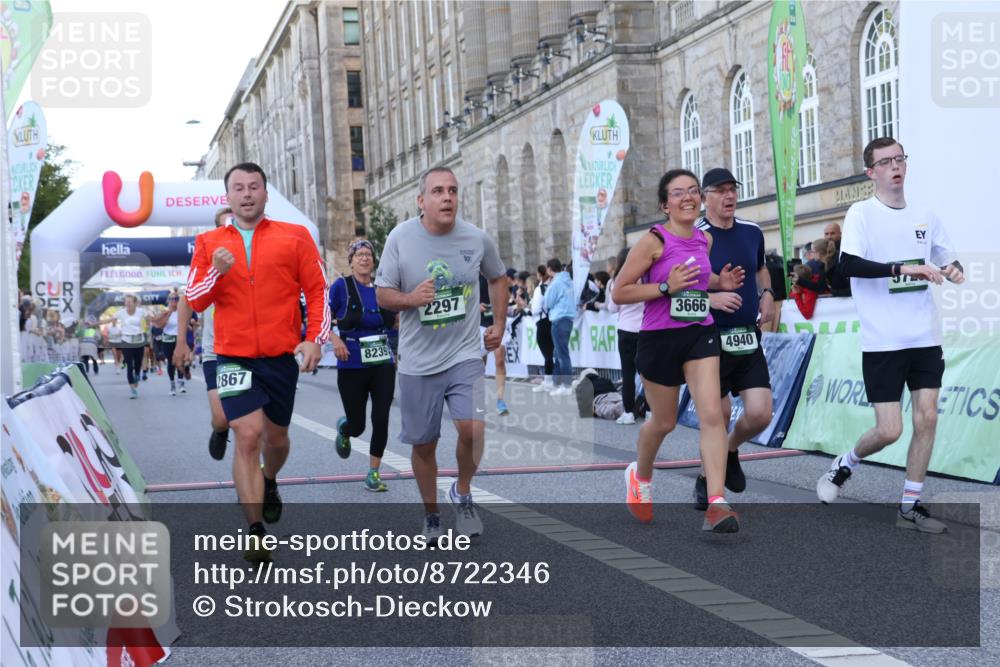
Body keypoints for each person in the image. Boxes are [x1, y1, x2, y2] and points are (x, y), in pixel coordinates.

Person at [816, 137, 963, 533]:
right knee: (889, 430)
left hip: (924, 336)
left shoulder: (925, 214)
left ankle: (909, 506)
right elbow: (849, 265)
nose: (895, 167)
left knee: (927, 417)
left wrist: (953, 270)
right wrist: (902, 269)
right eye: (885, 162)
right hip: (883, 340)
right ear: (871, 172)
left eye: (900, 159)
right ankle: (845, 464)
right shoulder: (862, 214)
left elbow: (947, 256)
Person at [186, 163, 329, 562]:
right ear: (227, 197)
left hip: (281, 357)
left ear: (266, 194)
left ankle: (270, 480)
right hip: (233, 356)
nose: (246, 194)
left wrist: (314, 340)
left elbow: (318, 292)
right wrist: (217, 271)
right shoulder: (209, 242)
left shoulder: (295, 237)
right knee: (247, 436)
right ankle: (254, 530)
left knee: (276, 440)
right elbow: (195, 298)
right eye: (238, 188)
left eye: (254, 187)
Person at [375, 166, 506, 541]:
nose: (447, 197)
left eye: (452, 190)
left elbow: (497, 277)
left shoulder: (476, 238)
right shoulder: (400, 238)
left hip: (464, 353)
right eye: (437, 191)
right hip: (418, 361)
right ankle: (431, 513)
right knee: (424, 443)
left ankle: (462, 493)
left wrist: (497, 323)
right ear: (421, 201)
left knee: (473, 429)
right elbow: (383, 293)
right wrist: (411, 299)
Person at [612, 168, 745, 533]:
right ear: (664, 204)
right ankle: (640, 476)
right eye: (677, 193)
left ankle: (716, 503)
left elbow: (701, 279)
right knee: (664, 422)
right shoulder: (652, 241)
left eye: (693, 191)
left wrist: (721, 281)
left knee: (713, 415)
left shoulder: (705, 241)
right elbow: (619, 292)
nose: (687, 197)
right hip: (658, 339)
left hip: (699, 333)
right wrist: (664, 288)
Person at [693, 167, 776, 508]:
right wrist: (711, 299)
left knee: (760, 414)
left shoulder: (752, 231)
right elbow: (675, 295)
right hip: (707, 339)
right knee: (718, 415)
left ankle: (729, 449)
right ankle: (706, 482)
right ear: (704, 197)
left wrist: (768, 292)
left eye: (732, 189)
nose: (729, 196)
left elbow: (759, 268)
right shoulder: (695, 237)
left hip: (746, 336)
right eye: (720, 190)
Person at [328, 239, 398, 492]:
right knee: (358, 425)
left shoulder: (382, 290)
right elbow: (322, 317)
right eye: (359, 255)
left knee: (381, 417)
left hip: (382, 362)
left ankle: (373, 473)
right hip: (351, 362)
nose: (365, 258)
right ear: (351, 261)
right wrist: (335, 339)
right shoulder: (341, 287)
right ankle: (345, 429)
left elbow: (396, 321)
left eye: (368, 254)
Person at [174, 207, 233, 461]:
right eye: (224, 227)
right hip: (216, 350)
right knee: (222, 418)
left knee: (255, 427)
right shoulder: (207, 259)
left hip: (254, 350)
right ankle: (219, 431)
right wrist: (181, 343)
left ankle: (262, 483)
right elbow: (186, 300)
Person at [606, 246, 643, 425]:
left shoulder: (616, 281)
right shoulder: (645, 277)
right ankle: (650, 410)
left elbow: (612, 307)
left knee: (628, 373)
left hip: (626, 329)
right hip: (645, 329)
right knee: (647, 374)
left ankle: (628, 411)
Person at [102, 294, 149, 399]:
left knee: (137, 365)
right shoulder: (121, 313)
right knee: (129, 365)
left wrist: (162, 318)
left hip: (139, 341)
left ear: (134, 303)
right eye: (126, 301)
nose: (127, 303)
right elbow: (108, 320)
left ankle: (137, 374)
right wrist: (95, 323)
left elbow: (151, 319)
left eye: (129, 301)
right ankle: (133, 390)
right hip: (126, 341)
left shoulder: (141, 312)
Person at [544, 258, 575, 396]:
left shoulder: (556, 283)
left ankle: (566, 385)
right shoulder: (568, 280)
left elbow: (548, 302)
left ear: (550, 269)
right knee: (559, 352)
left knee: (561, 354)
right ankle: (557, 383)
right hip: (568, 319)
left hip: (559, 319)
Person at [150, 292, 187, 395]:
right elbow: (160, 326)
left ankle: (181, 381)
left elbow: (186, 325)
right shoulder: (164, 312)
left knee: (180, 360)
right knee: (171, 362)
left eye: (175, 299)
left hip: (179, 339)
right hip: (167, 339)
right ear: (168, 301)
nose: (173, 301)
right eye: (171, 299)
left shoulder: (182, 311)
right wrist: (168, 314)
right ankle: (172, 384)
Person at [530, 264, 555, 392]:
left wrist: (531, 309)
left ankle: (549, 381)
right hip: (549, 321)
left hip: (542, 321)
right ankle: (549, 380)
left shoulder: (540, 289)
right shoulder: (550, 286)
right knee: (550, 353)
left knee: (547, 353)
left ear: (539, 275)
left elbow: (536, 308)